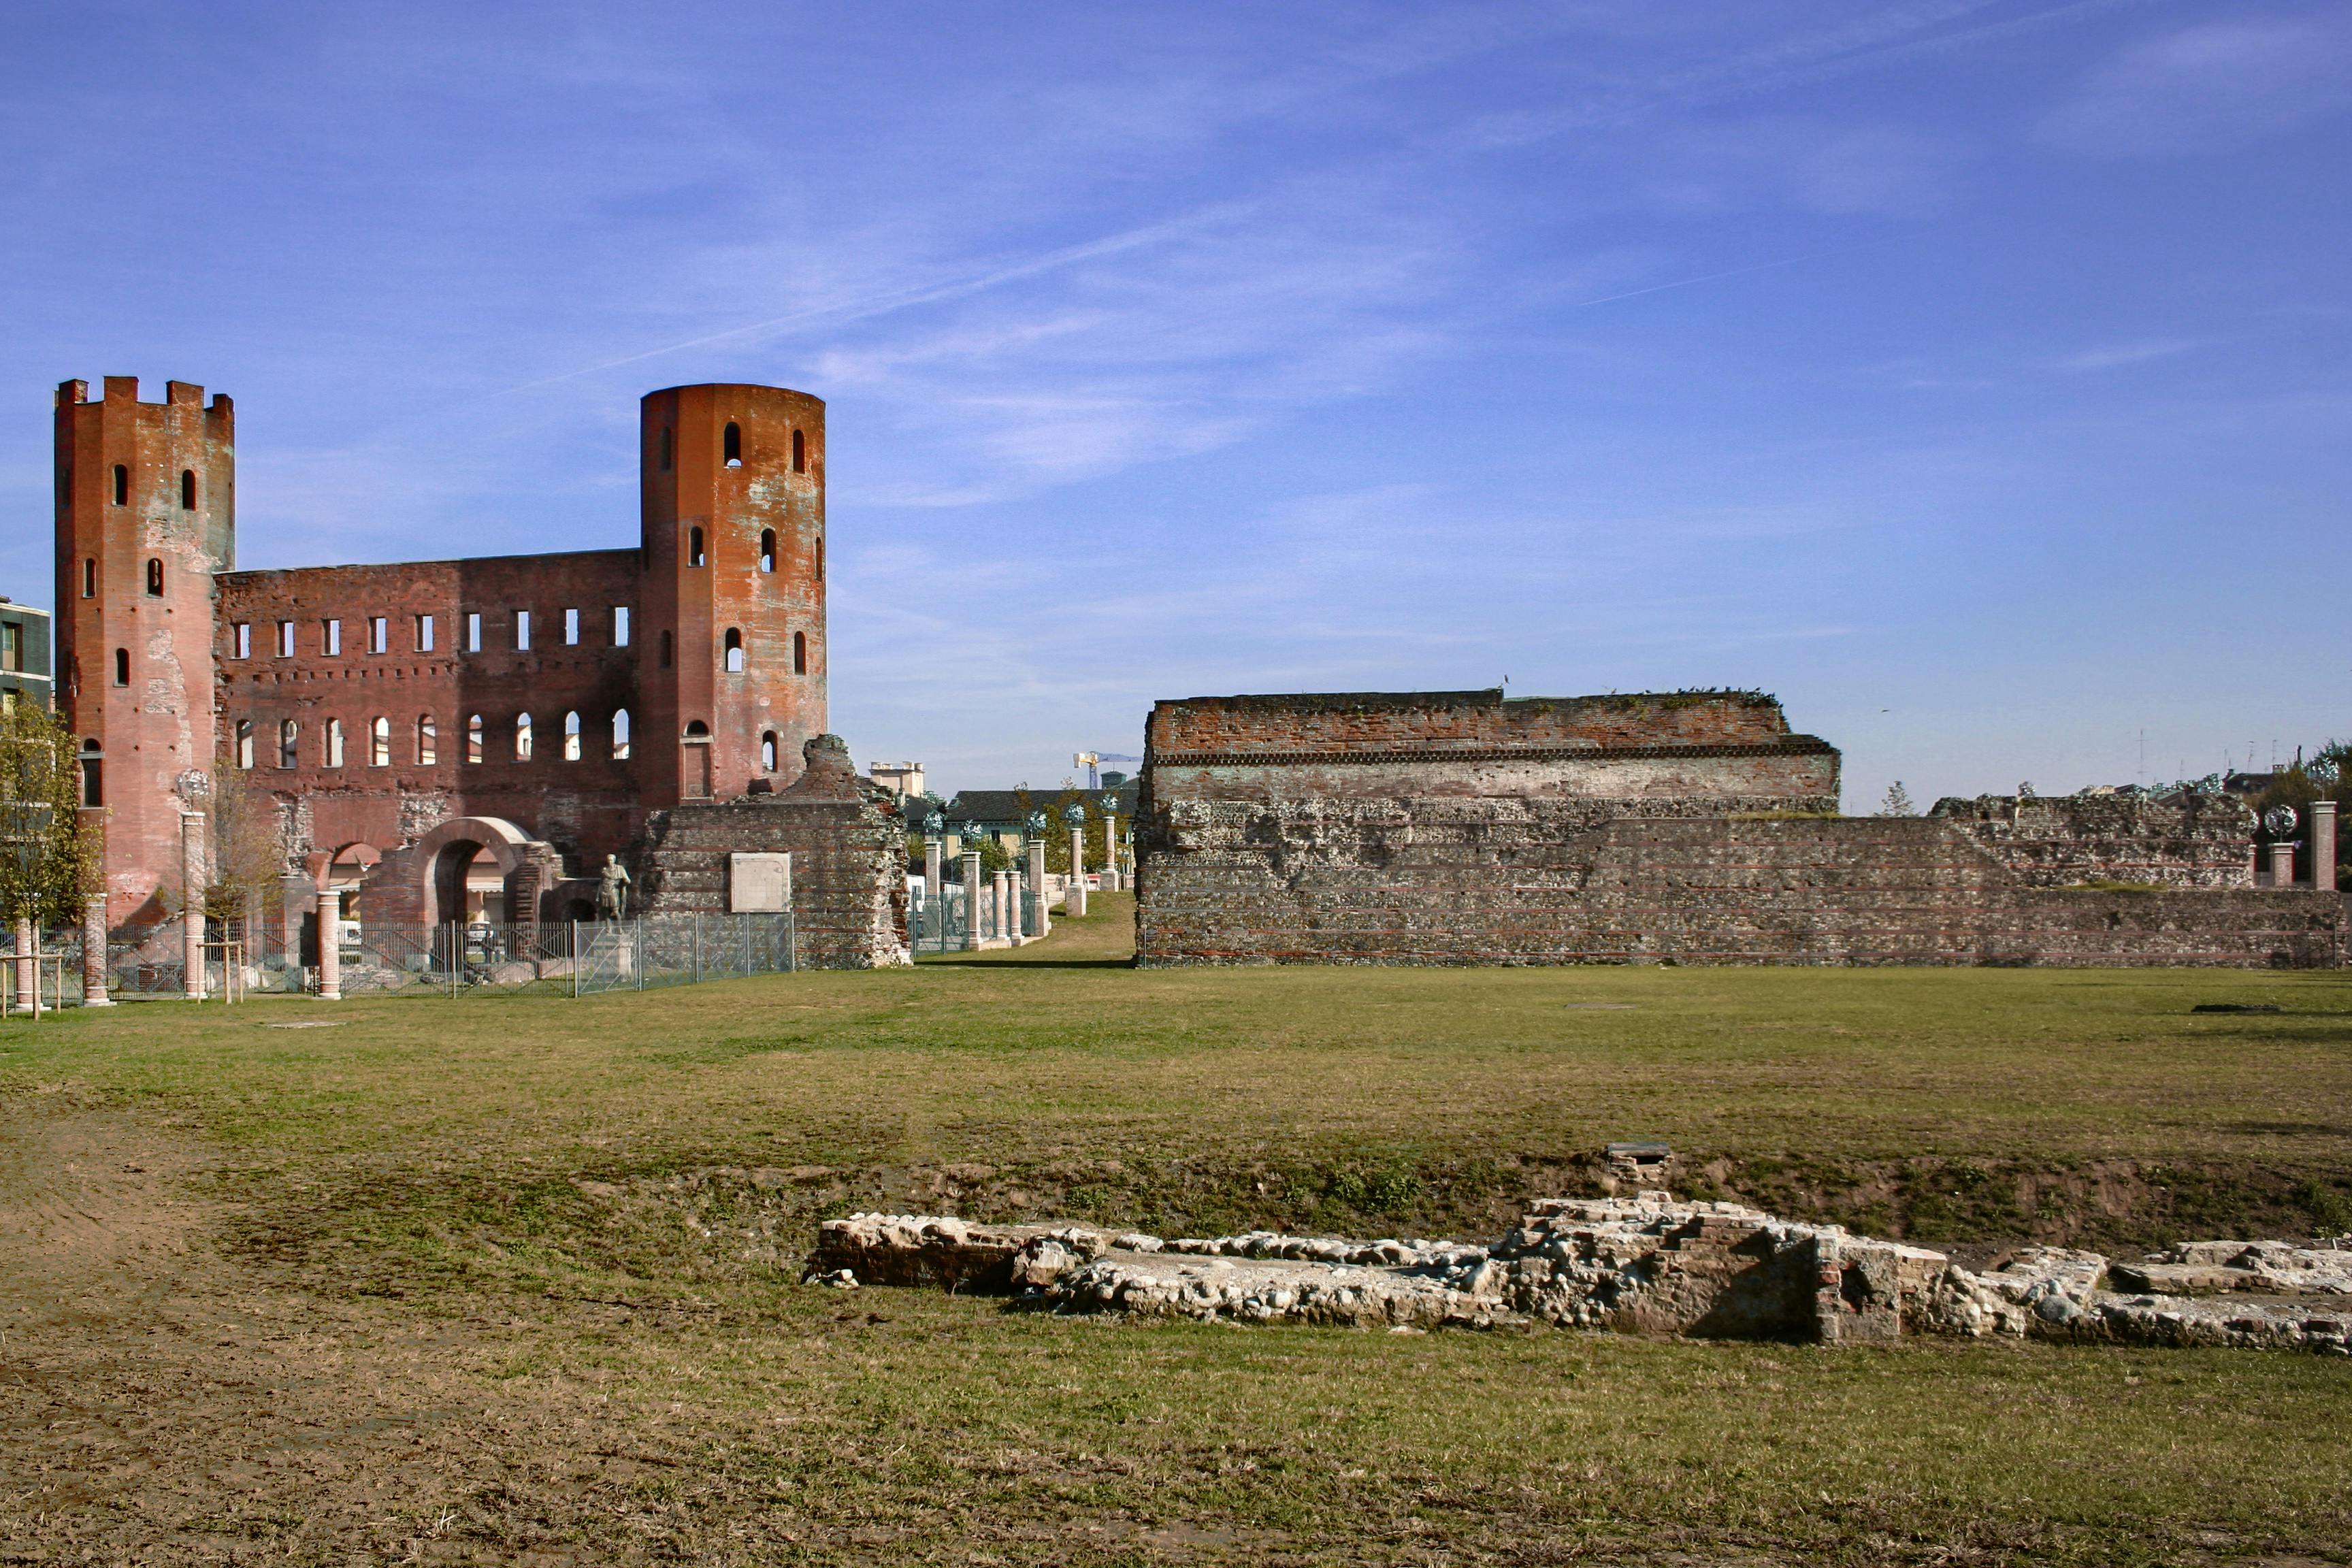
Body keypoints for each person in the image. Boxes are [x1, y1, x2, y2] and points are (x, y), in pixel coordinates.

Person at [598, 853, 632, 920]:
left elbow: (627, 880)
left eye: (611, 860)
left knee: (615, 910)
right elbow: (601, 883)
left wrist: (626, 881)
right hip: (605, 891)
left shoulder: (620, 869)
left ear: (614, 860)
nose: (610, 862)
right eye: (608, 860)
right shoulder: (604, 870)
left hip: (614, 890)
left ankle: (619, 928)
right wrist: (598, 895)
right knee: (606, 911)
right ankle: (608, 929)